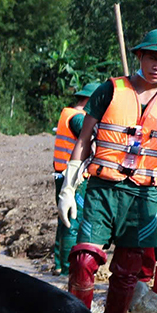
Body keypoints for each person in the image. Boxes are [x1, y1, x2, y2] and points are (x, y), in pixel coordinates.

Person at [58, 29, 157, 313]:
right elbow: (84, 139)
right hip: (102, 191)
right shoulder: (110, 89)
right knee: (84, 260)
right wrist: (69, 189)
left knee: (127, 271)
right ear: (139, 56)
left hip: (145, 196)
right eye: (153, 57)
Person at [51, 82, 100, 274]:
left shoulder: (68, 113)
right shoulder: (78, 118)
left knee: (64, 220)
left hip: (62, 173)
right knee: (73, 220)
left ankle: (58, 264)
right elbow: (89, 135)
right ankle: (67, 269)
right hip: (73, 178)